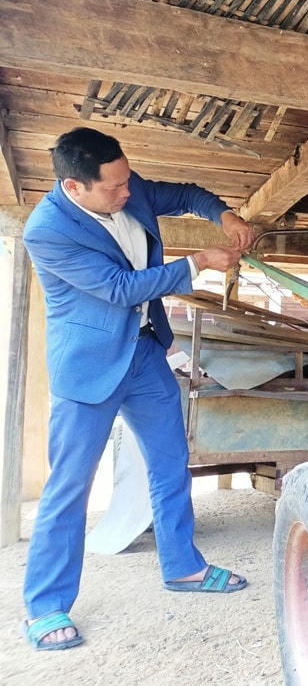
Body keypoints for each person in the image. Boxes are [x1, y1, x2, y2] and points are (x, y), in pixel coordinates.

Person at [20, 127, 255, 651]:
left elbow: (187, 194)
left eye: (128, 182)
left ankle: (183, 566)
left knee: (171, 462)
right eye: (114, 188)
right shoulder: (47, 230)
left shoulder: (126, 186)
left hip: (145, 353)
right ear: (74, 187)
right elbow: (118, 288)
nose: (128, 193)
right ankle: (46, 605)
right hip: (90, 366)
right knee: (69, 486)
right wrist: (196, 263)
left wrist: (224, 215)